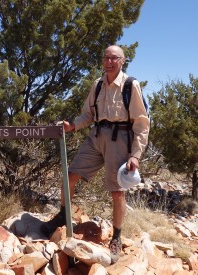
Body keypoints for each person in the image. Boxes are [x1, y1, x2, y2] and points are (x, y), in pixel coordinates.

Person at [41, 45, 150, 263]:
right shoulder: (98, 85)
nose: (109, 61)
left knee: (117, 190)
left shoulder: (130, 85)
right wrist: (72, 126)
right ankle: (64, 216)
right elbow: (88, 114)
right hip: (96, 136)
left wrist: (135, 154)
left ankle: (117, 237)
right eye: (106, 57)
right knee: (70, 175)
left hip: (120, 139)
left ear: (122, 61)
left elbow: (141, 122)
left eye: (114, 58)